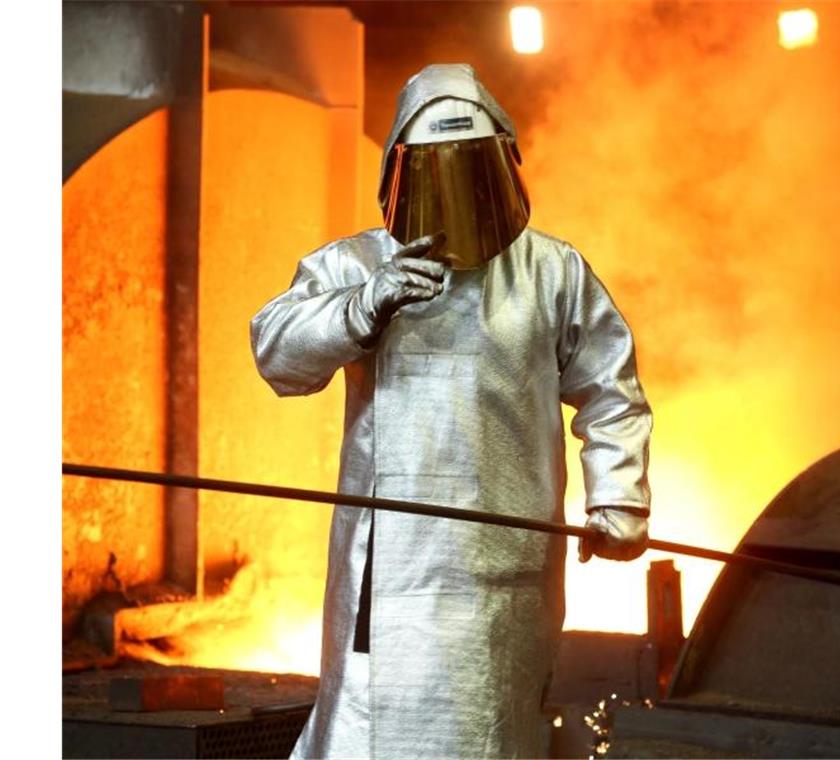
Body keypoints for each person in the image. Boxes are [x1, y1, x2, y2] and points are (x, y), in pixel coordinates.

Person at [251, 63, 652, 758]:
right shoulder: (354, 267)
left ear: (503, 162)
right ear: (398, 175)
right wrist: (361, 308)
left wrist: (619, 497)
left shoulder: (551, 274)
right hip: (388, 579)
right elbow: (277, 353)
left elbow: (610, 388)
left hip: (505, 574)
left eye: (472, 172)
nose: (457, 201)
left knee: (493, 731)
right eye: (436, 177)